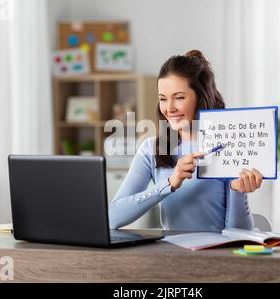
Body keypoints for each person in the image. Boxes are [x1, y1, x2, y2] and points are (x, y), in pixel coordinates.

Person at [109, 50, 263, 231]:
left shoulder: (226, 148)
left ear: (201, 97)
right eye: (163, 99)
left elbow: (239, 234)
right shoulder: (151, 149)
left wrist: (239, 192)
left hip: (216, 257)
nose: (169, 108)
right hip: (172, 255)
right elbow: (113, 217)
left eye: (179, 97)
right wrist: (170, 183)